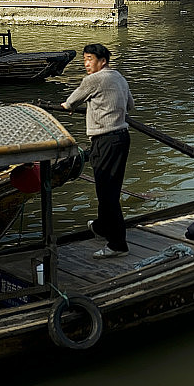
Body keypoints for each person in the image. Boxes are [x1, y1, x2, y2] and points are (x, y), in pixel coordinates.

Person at [62, 44, 134, 259]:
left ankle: (118, 244)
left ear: (102, 61)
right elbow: (130, 105)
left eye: (90, 59)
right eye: (84, 59)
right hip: (122, 138)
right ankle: (102, 227)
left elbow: (70, 103)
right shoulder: (119, 77)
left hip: (106, 139)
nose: (86, 64)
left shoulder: (94, 79)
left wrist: (68, 106)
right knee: (109, 187)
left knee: (107, 192)